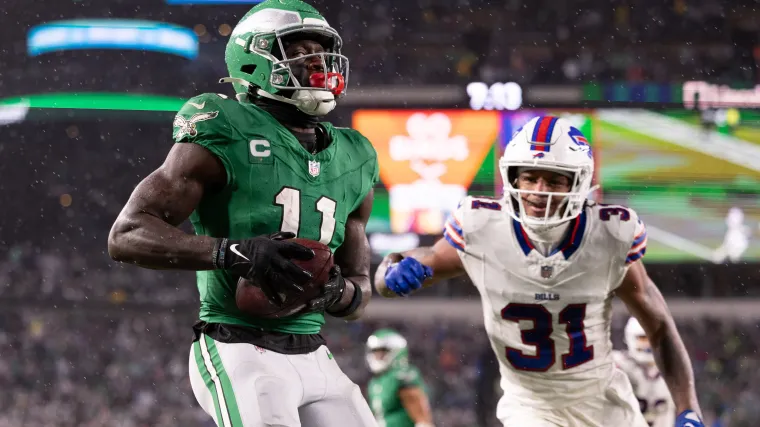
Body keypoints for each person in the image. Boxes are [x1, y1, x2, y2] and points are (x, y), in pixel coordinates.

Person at [107, 1, 379, 426]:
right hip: (238, 347)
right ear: (253, 61)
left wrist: (332, 292)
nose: (317, 65)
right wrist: (234, 252)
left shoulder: (355, 155)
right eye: (299, 51)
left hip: (316, 352)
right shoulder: (225, 126)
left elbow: (359, 289)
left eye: (322, 53)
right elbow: (126, 234)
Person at [374, 116, 705, 427]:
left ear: (579, 183)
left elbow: (659, 327)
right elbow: (415, 262)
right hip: (529, 407)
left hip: (605, 404)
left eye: (554, 180)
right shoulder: (482, 228)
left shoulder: (609, 236)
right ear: (513, 177)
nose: (538, 191)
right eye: (530, 177)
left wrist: (688, 408)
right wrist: (392, 270)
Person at [613, 317, 676, 427]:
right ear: (630, 338)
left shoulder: (672, 368)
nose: (649, 344)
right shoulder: (618, 363)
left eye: (653, 338)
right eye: (643, 338)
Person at [365, 329, 435, 427]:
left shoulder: (402, 375)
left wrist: (423, 423)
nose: (377, 356)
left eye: (382, 352)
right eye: (375, 352)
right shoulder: (375, 382)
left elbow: (420, 412)